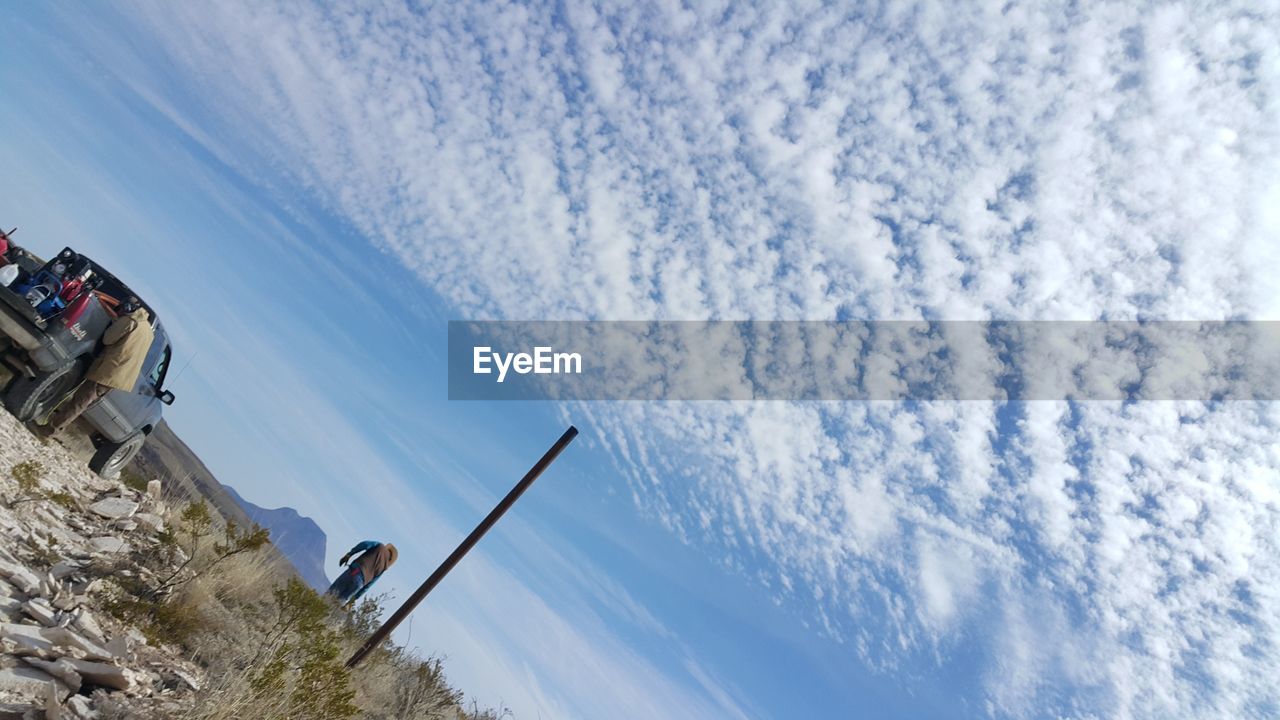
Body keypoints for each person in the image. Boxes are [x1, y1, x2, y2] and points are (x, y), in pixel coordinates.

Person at [42, 298, 154, 435]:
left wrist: (116, 323)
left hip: (108, 371)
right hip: (119, 377)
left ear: (131, 308)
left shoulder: (130, 322)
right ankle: (54, 427)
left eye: (123, 306)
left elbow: (108, 339)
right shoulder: (148, 330)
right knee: (82, 402)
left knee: (80, 401)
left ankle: (51, 430)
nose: (121, 309)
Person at [327, 540, 398, 605]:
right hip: (359, 584)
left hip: (355, 571)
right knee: (338, 603)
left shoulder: (380, 546)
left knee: (330, 594)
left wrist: (349, 554)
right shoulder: (384, 567)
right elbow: (368, 586)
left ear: (388, 548)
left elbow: (364, 545)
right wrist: (352, 600)